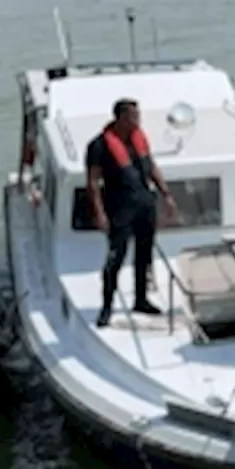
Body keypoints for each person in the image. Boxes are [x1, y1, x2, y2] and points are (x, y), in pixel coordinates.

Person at [85, 98, 178, 328]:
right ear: (120, 118)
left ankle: (141, 299)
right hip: (119, 205)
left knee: (144, 254)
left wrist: (166, 194)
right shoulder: (98, 145)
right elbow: (93, 181)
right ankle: (107, 306)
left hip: (145, 202)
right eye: (133, 117)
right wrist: (99, 212)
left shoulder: (139, 139)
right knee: (116, 256)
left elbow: (151, 165)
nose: (138, 120)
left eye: (138, 116)